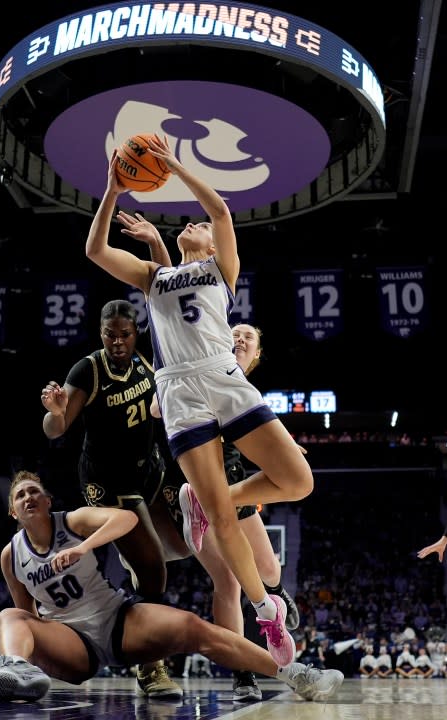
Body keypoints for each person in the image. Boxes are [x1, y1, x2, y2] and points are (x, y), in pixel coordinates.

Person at [85, 133, 314, 668]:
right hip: (181, 388)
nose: (193, 224)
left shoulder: (220, 270)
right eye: (192, 225)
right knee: (219, 516)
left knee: (299, 481)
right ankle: (266, 611)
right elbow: (95, 250)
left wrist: (175, 165)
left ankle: (220, 499)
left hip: (223, 376)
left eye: (201, 228)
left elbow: (219, 209)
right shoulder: (154, 278)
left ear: (211, 246)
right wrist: (112, 189)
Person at [0, 470, 344, 703]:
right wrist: (44, 652)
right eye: (20, 495)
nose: (28, 497)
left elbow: (124, 518)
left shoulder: (72, 521)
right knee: (10, 615)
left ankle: (296, 675)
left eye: (33, 492)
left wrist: (84, 547)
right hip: (71, 642)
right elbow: (27, 615)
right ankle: (16, 670)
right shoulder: (12, 556)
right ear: (12, 511)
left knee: (193, 627)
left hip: (117, 620)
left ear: (47, 501)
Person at [40, 298, 184, 698]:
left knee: (190, 543)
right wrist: (55, 411)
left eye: (124, 335)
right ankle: (149, 666)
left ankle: (133, 555)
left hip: (148, 470)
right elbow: (56, 429)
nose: (117, 342)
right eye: (110, 335)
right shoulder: (88, 369)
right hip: (109, 484)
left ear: (135, 333)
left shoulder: (145, 363)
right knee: (154, 571)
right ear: (100, 334)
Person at [152, 321, 301, 702]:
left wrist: (286, 448)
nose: (239, 338)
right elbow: (157, 406)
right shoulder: (198, 365)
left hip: (232, 478)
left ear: (256, 355)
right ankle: (243, 673)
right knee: (229, 581)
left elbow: (264, 427)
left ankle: (276, 592)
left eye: (249, 336)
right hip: (187, 473)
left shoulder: (245, 390)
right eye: (234, 333)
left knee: (268, 568)